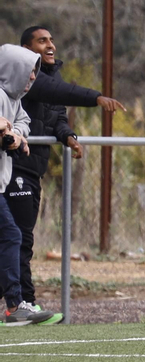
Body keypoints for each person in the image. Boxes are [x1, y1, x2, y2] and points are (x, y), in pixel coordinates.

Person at [11, 25, 126, 318]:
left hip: (33, 167)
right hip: (14, 166)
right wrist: (95, 97)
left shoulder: (51, 76)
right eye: (42, 41)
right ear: (26, 49)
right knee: (17, 238)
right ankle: (22, 304)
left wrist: (69, 137)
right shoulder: (23, 76)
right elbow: (54, 91)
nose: (50, 45)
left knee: (18, 237)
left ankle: (20, 305)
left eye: (51, 40)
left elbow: (57, 116)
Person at [0, 44, 56, 325]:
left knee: (10, 236)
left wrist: (15, 134)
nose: (33, 77)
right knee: (11, 235)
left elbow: (22, 121)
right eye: (29, 70)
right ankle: (14, 305)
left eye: (35, 71)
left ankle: (14, 304)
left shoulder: (14, 99)